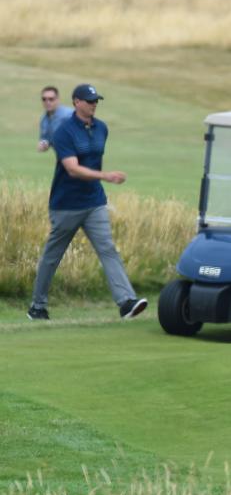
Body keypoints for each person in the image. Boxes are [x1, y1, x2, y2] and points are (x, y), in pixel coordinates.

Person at [27, 84, 148, 321]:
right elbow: (72, 169)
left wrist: (100, 181)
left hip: (94, 202)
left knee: (107, 249)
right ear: (76, 102)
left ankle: (126, 302)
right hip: (66, 205)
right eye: (89, 100)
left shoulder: (102, 128)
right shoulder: (63, 132)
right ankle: (37, 307)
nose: (94, 104)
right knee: (52, 257)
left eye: (96, 101)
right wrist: (106, 177)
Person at [38, 86, 72, 153]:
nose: (47, 102)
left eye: (51, 99)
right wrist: (44, 144)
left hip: (76, 157)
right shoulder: (44, 119)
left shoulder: (69, 115)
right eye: (44, 99)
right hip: (61, 156)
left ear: (57, 99)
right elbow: (45, 139)